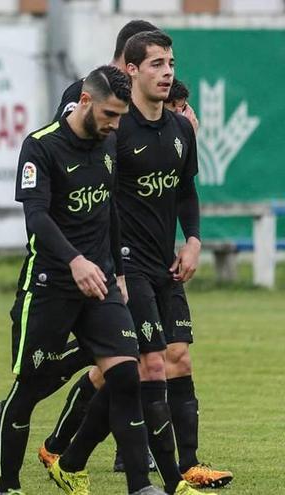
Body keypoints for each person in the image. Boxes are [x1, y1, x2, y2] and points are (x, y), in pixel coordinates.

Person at [37, 33, 230, 492]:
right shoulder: (115, 131)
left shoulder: (181, 129)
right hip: (126, 266)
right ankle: (175, 475)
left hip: (167, 263)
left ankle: (70, 454)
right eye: (157, 64)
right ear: (133, 71)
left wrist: (194, 242)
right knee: (148, 367)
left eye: (171, 63)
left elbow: (186, 192)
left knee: (170, 359)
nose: (167, 72)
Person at [7, 65, 168, 495]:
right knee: (28, 392)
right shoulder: (40, 147)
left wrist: (116, 270)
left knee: (125, 375)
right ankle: (8, 485)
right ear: (84, 102)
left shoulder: (108, 143)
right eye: (111, 115)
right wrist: (75, 261)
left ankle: (140, 486)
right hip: (51, 284)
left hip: (100, 282)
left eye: (120, 116)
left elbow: (109, 211)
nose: (116, 125)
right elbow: (36, 217)